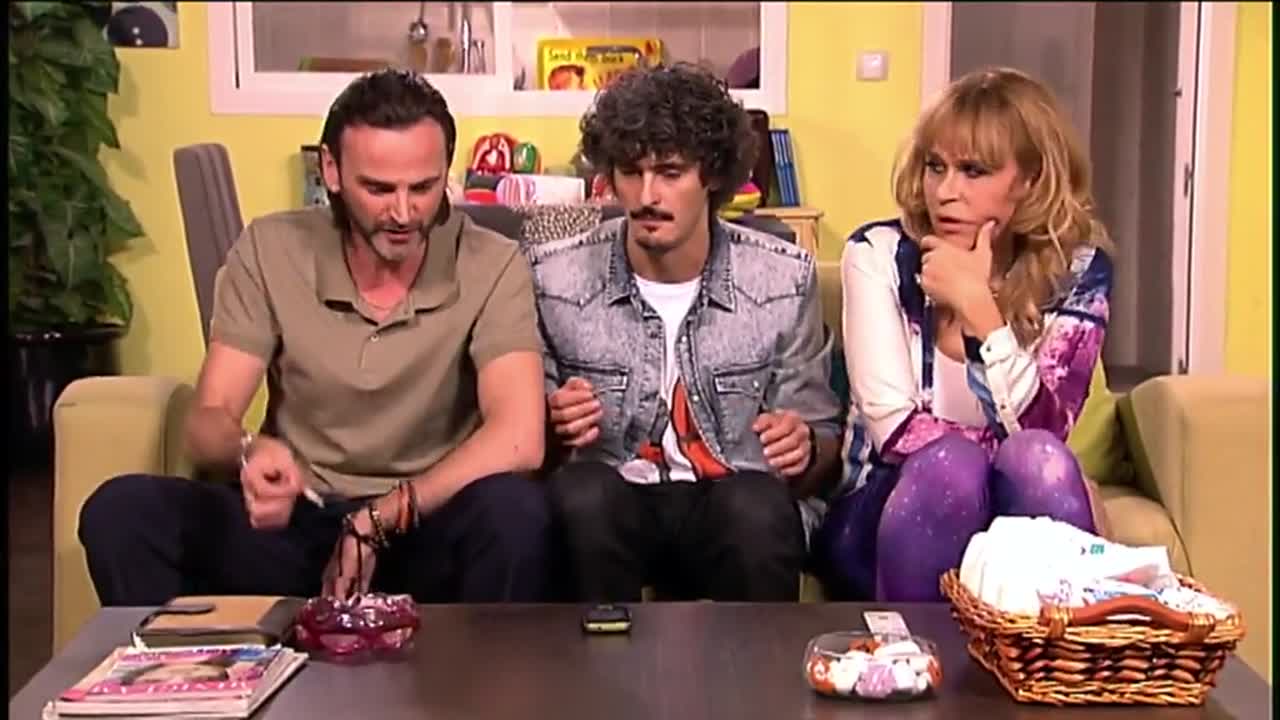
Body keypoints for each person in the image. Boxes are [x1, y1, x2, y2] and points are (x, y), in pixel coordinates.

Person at [79, 69, 551, 604]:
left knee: (515, 514)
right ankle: (179, 661)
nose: (403, 212)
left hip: (423, 519)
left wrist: (381, 517)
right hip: (299, 520)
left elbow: (519, 437)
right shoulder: (270, 248)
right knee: (121, 512)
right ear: (330, 169)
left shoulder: (492, 262)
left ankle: (482, 665)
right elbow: (208, 419)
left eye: (423, 187)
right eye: (378, 188)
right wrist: (249, 450)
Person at [529, 63, 844, 603]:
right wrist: (553, 427)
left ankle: (753, 661)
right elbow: (528, 449)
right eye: (631, 172)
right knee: (583, 494)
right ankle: (592, 659)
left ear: (713, 175)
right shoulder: (554, 276)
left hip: (731, 500)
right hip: (613, 500)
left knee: (757, 506)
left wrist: (805, 447)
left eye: (670, 172)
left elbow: (822, 445)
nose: (647, 195)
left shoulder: (783, 277)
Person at [814, 66, 1114, 602]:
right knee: (953, 466)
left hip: (1011, 512)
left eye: (973, 170)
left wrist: (980, 311)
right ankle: (914, 649)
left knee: (1039, 460)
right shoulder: (877, 255)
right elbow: (895, 432)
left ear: (1031, 180)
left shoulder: (1079, 272)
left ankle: (1054, 652)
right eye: (936, 167)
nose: (945, 192)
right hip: (881, 510)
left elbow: (1045, 431)